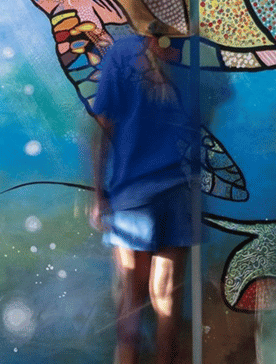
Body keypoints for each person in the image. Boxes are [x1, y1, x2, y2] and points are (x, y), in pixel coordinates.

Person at [89, 19, 195, 364]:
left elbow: (102, 125)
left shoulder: (121, 53)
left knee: (132, 300)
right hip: (177, 191)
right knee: (166, 300)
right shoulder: (194, 54)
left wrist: (98, 193)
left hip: (133, 194)